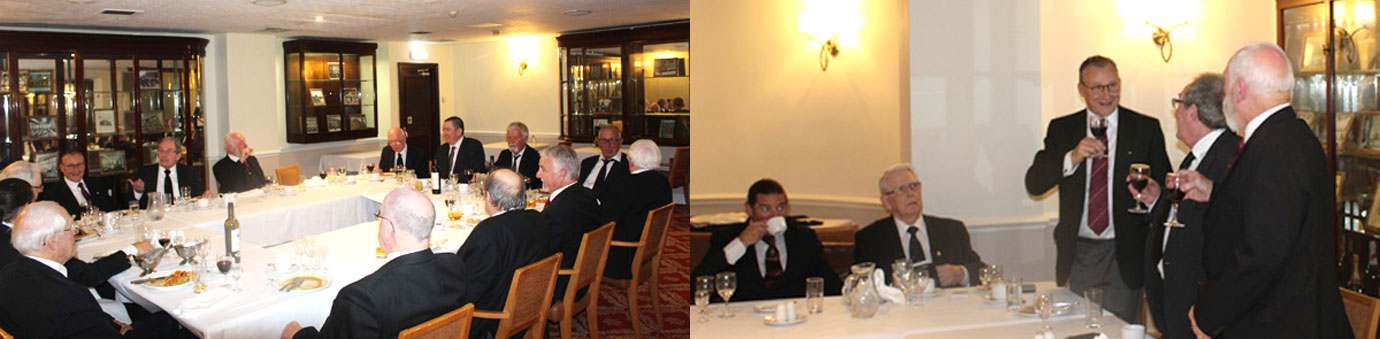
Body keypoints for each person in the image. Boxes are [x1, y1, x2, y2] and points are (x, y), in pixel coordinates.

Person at [1177, 43, 1350, 338]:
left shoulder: (1274, 149)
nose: (1224, 100)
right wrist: (1214, 191)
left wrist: (1209, 313)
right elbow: (1271, 216)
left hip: (1277, 324)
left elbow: (1259, 256)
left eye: (1227, 88)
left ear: (1240, 90)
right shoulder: (1292, 135)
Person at [1024, 55, 1170, 322]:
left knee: (1124, 331)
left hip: (1125, 253)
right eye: (1097, 88)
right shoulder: (1062, 128)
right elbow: (1034, 183)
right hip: (1081, 253)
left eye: (1112, 86)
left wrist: (1151, 193)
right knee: (1080, 329)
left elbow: (1164, 193)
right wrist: (1072, 157)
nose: (1106, 95)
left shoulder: (1145, 128)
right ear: (1081, 90)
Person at [1122, 74, 1239, 339]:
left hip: (1199, 306)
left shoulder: (1230, 156)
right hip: (1178, 301)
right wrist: (1156, 202)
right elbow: (1186, 215)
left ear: (1192, 112)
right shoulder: (1197, 155)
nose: (1175, 111)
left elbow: (1229, 224)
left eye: (1178, 103)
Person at [282, 188, 467, 339]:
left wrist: (297, 334)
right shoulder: (455, 265)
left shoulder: (361, 298)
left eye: (380, 217)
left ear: (388, 228)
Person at [0, 202, 182, 338]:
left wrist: (109, 324)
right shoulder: (70, 296)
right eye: (70, 229)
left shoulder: (7, 274)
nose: (75, 234)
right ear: (51, 242)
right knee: (178, 321)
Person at [692, 179, 843, 301]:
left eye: (780, 207)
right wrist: (741, 243)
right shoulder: (727, 237)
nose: (774, 216)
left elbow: (831, 283)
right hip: (744, 320)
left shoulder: (803, 237)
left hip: (793, 317)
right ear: (749, 209)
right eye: (766, 209)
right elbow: (698, 284)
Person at [854, 164, 985, 286]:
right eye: (901, 190)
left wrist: (961, 274)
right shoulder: (869, 239)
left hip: (945, 307)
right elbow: (861, 284)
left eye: (913, 186)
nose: (910, 194)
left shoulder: (951, 230)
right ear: (887, 202)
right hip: (899, 309)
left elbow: (980, 270)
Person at [455, 169, 550, 338]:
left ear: (489, 197)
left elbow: (467, 287)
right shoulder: (537, 218)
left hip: (492, 322)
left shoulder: (490, 232)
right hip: (529, 308)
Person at [599, 139, 672, 279]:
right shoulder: (663, 183)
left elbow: (606, 221)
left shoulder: (626, 185)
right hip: (646, 250)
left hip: (622, 255)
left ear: (630, 161)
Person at [536, 145, 601, 298]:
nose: (538, 174)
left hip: (560, 282)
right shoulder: (588, 196)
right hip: (582, 275)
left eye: (543, 169)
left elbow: (541, 254)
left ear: (562, 174)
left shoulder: (557, 212)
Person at [129, 137, 208, 208]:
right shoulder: (145, 173)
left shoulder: (189, 172)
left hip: (182, 215)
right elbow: (131, 202)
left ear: (178, 156)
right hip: (155, 217)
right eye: (161, 151)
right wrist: (138, 191)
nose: (164, 155)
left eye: (169, 151)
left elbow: (198, 196)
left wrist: (206, 195)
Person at [39, 151, 119, 217]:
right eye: (70, 166)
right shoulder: (52, 194)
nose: (76, 170)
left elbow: (112, 209)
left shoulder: (97, 184)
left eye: (80, 165)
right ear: (62, 168)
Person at [578, 125, 630, 194]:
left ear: (620, 142)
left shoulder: (628, 164)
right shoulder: (587, 163)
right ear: (598, 142)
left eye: (612, 140)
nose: (607, 144)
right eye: (603, 140)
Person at [434, 116, 485, 182]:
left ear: (459, 131)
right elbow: (438, 173)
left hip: (465, 188)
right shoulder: (442, 149)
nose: (444, 134)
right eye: (443, 130)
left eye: (448, 130)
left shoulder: (473, 146)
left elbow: (475, 172)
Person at [495, 122, 542, 188]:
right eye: (509, 138)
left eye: (515, 138)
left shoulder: (533, 156)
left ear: (525, 139)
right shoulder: (505, 154)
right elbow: (495, 174)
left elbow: (534, 182)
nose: (511, 141)